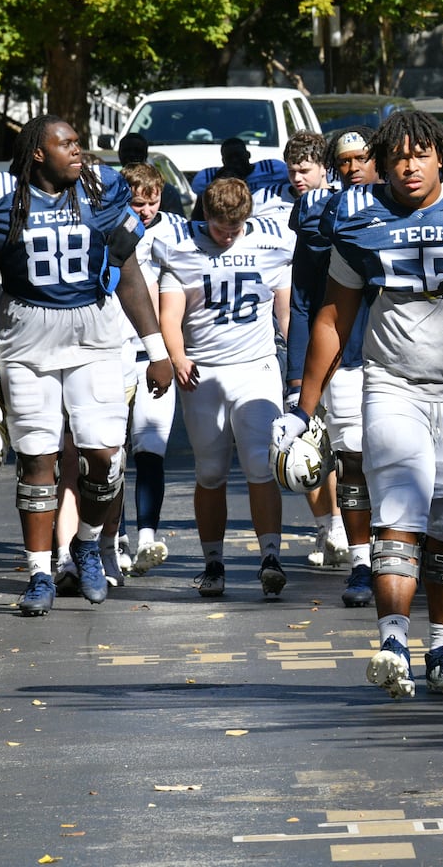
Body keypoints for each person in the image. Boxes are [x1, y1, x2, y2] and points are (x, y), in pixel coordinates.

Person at [279, 110, 443, 698]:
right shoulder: (356, 214)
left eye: (420, 153)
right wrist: (304, 405)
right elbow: (333, 315)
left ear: (441, 158)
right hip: (393, 381)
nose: (409, 165)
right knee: (397, 512)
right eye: (397, 155)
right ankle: (394, 639)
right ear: (381, 163)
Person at [0, 115, 174, 617]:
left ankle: (87, 542)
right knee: (37, 458)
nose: (78, 151)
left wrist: (157, 348)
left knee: (103, 456)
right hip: (27, 333)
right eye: (68, 144)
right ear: (38, 152)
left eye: (79, 142)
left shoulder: (101, 194)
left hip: (94, 330)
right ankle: (39, 572)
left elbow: (126, 274)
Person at [154, 178, 293, 598]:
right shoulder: (180, 246)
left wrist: (299, 372)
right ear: (205, 217)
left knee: (259, 463)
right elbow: (170, 316)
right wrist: (177, 356)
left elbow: (287, 314)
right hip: (205, 371)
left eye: (235, 227)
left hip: (256, 366)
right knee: (211, 471)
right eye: (219, 227)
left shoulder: (274, 244)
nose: (227, 235)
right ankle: (213, 562)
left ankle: (271, 556)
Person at [285, 127, 381, 606]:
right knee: (354, 462)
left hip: (410, 359)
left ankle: (414, 551)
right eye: (344, 161)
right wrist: (299, 378)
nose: (353, 168)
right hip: (348, 359)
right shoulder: (320, 212)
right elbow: (304, 300)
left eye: (362, 158)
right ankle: (364, 560)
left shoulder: (424, 206)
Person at [123, 162, 188, 575]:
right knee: (107, 456)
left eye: (152, 201)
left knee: (150, 449)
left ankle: (147, 537)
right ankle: (114, 540)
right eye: (136, 203)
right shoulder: (108, 227)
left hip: (154, 356)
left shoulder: (177, 231)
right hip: (113, 353)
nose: (145, 210)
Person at [190, 137, 291, 201]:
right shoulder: (207, 178)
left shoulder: (273, 168)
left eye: (238, 156)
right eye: (229, 158)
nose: (235, 161)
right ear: (223, 160)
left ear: (248, 155)